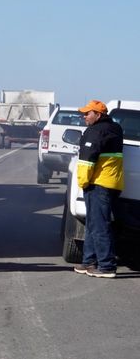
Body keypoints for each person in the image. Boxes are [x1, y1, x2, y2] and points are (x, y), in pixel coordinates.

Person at [73, 100, 124, 279]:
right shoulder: (115, 128)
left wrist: (83, 182)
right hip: (111, 182)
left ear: (98, 115)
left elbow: (87, 161)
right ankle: (89, 261)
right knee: (93, 224)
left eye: (88, 113)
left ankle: (107, 265)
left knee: (99, 225)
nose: (84, 116)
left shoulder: (96, 131)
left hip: (98, 183)